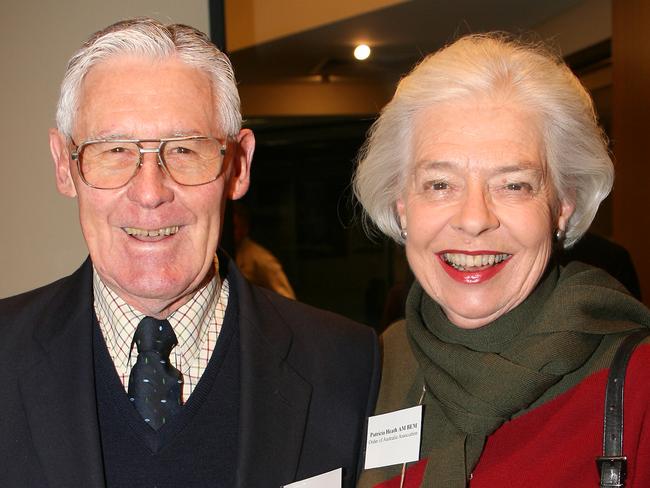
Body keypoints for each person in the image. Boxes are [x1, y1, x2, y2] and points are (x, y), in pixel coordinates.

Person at [0, 19, 378, 488]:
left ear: (238, 166)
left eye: (184, 149)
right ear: (64, 166)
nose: (150, 192)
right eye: (114, 149)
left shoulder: (348, 364)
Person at [353, 33, 650, 487]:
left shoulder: (638, 382)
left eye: (513, 185)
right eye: (439, 184)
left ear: (562, 204)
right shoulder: (377, 364)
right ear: (400, 204)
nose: (474, 220)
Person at [232, 202, 296, 299]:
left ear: (244, 228)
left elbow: (288, 298)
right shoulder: (224, 255)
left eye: (234, 227)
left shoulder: (261, 259)